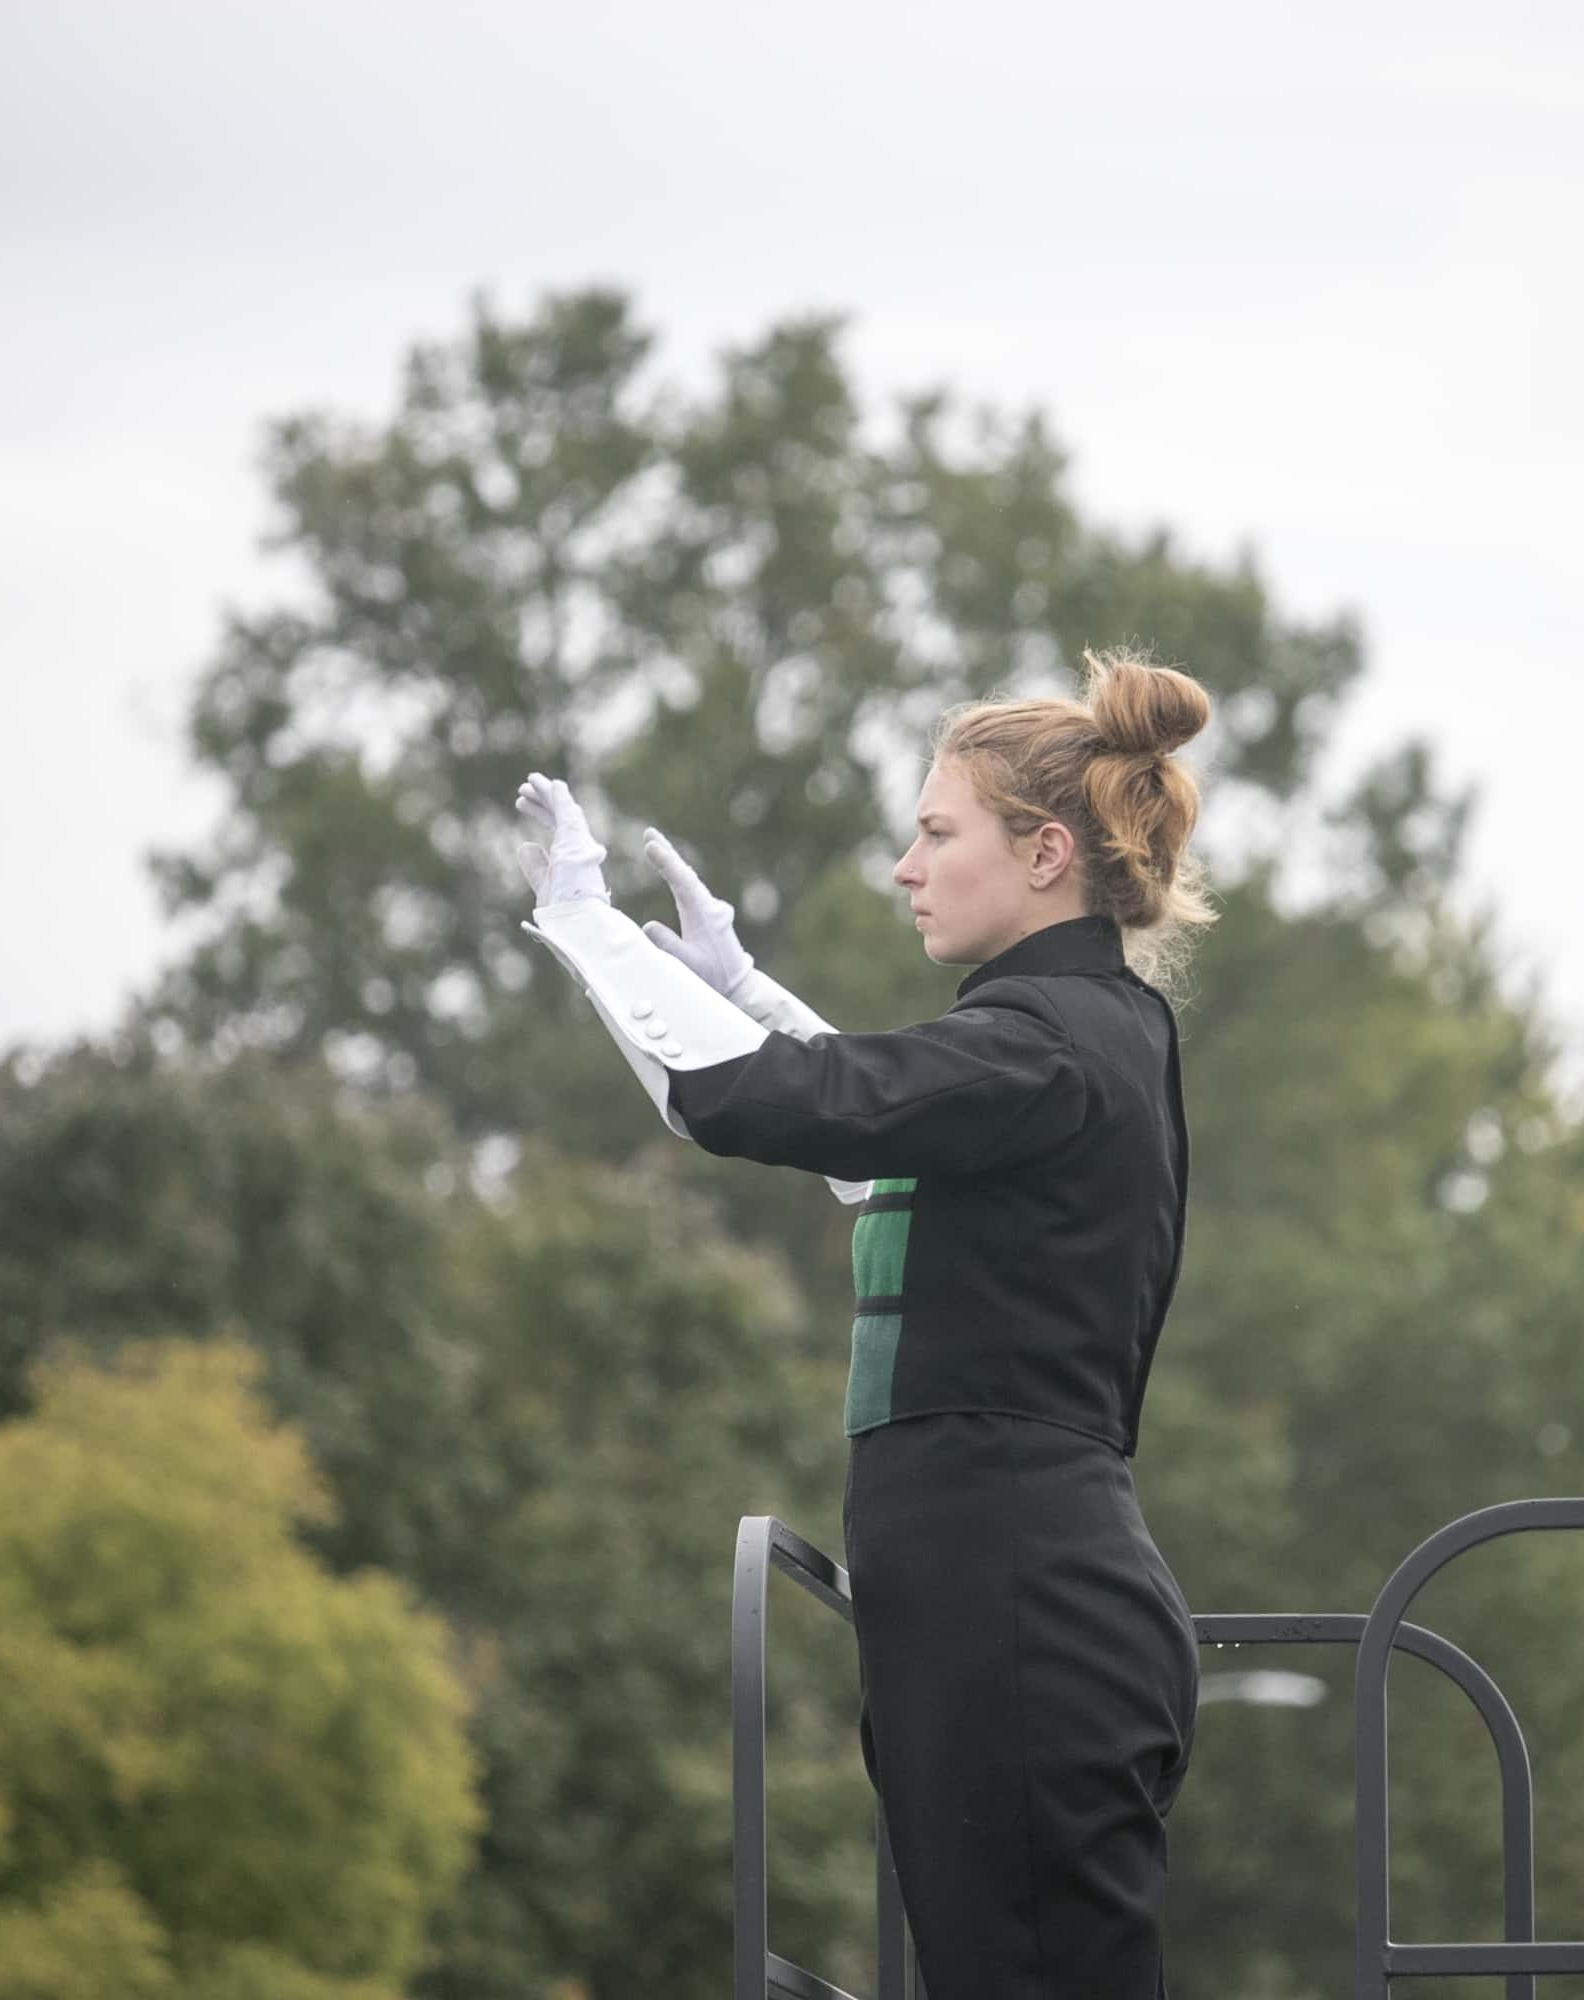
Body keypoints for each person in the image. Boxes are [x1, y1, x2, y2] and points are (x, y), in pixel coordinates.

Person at [510, 650, 1212, 1999]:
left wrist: (585, 925)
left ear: (1048, 853)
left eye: (936, 833)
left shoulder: (1051, 1040)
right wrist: (743, 993)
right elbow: (878, 1153)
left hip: (1022, 1608)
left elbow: (757, 1104)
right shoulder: (1060, 1033)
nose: (906, 866)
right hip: (1008, 1603)